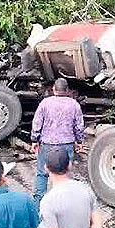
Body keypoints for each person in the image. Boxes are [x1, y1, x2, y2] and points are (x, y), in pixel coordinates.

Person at [30, 78, 84, 211]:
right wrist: (79, 141)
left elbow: (37, 122)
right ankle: (63, 207)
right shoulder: (74, 104)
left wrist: (34, 139)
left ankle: (38, 207)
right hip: (66, 144)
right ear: (67, 91)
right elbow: (79, 126)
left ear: (53, 89)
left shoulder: (45, 103)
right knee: (65, 174)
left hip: (47, 143)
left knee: (42, 174)